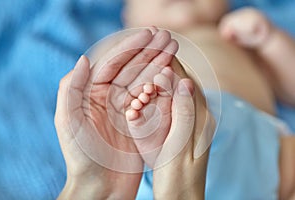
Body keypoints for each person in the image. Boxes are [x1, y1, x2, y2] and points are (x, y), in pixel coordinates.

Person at [54, 0, 295, 199]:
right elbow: (99, 100)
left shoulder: (231, 34)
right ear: (127, 14)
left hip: (256, 141)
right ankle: (161, 128)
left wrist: (268, 39)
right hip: (151, 174)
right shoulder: (121, 44)